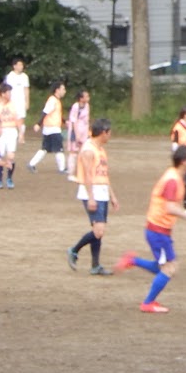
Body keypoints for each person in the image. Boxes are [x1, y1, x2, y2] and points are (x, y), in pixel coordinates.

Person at [115, 144, 186, 313]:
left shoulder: (174, 176)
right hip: (158, 231)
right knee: (169, 268)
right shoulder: (172, 180)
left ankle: (132, 260)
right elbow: (170, 207)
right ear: (183, 162)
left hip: (159, 229)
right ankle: (147, 303)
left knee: (161, 266)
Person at [68, 117, 120, 276]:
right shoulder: (88, 150)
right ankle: (74, 250)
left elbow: (104, 175)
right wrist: (90, 197)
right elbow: (88, 175)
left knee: (99, 231)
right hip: (92, 192)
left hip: (102, 192)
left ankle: (95, 265)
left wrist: (112, 196)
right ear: (103, 132)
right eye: (109, 133)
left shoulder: (100, 150)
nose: (110, 136)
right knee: (98, 231)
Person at [26, 82, 67, 174]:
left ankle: (31, 164)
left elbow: (56, 115)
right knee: (59, 149)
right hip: (53, 128)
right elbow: (45, 112)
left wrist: (64, 121)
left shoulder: (55, 100)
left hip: (49, 128)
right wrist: (38, 124)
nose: (64, 91)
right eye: (63, 89)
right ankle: (62, 169)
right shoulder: (53, 100)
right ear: (57, 90)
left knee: (44, 149)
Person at [0, 82, 22, 189]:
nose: (10, 94)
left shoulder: (13, 105)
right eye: (8, 92)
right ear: (3, 94)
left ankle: (9, 178)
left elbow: (18, 120)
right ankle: (0, 180)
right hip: (0, 132)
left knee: (10, 156)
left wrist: (21, 133)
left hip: (11, 131)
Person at [3, 58, 30, 147]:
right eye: (19, 65)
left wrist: (27, 101)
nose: (21, 67)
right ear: (14, 66)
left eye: (22, 65)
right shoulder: (10, 76)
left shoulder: (25, 77)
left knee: (21, 119)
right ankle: (13, 136)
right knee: (13, 118)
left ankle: (21, 136)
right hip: (12, 101)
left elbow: (26, 89)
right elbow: (6, 89)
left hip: (21, 101)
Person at [64, 88, 91, 178]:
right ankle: (71, 173)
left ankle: (83, 171)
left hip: (84, 130)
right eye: (86, 96)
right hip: (75, 130)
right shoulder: (75, 106)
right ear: (81, 98)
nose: (88, 98)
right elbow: (73, 121)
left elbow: (87, 120)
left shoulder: (87, 106)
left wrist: (88, 132)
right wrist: (77, 135)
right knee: (73, 152)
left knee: (84, 151)